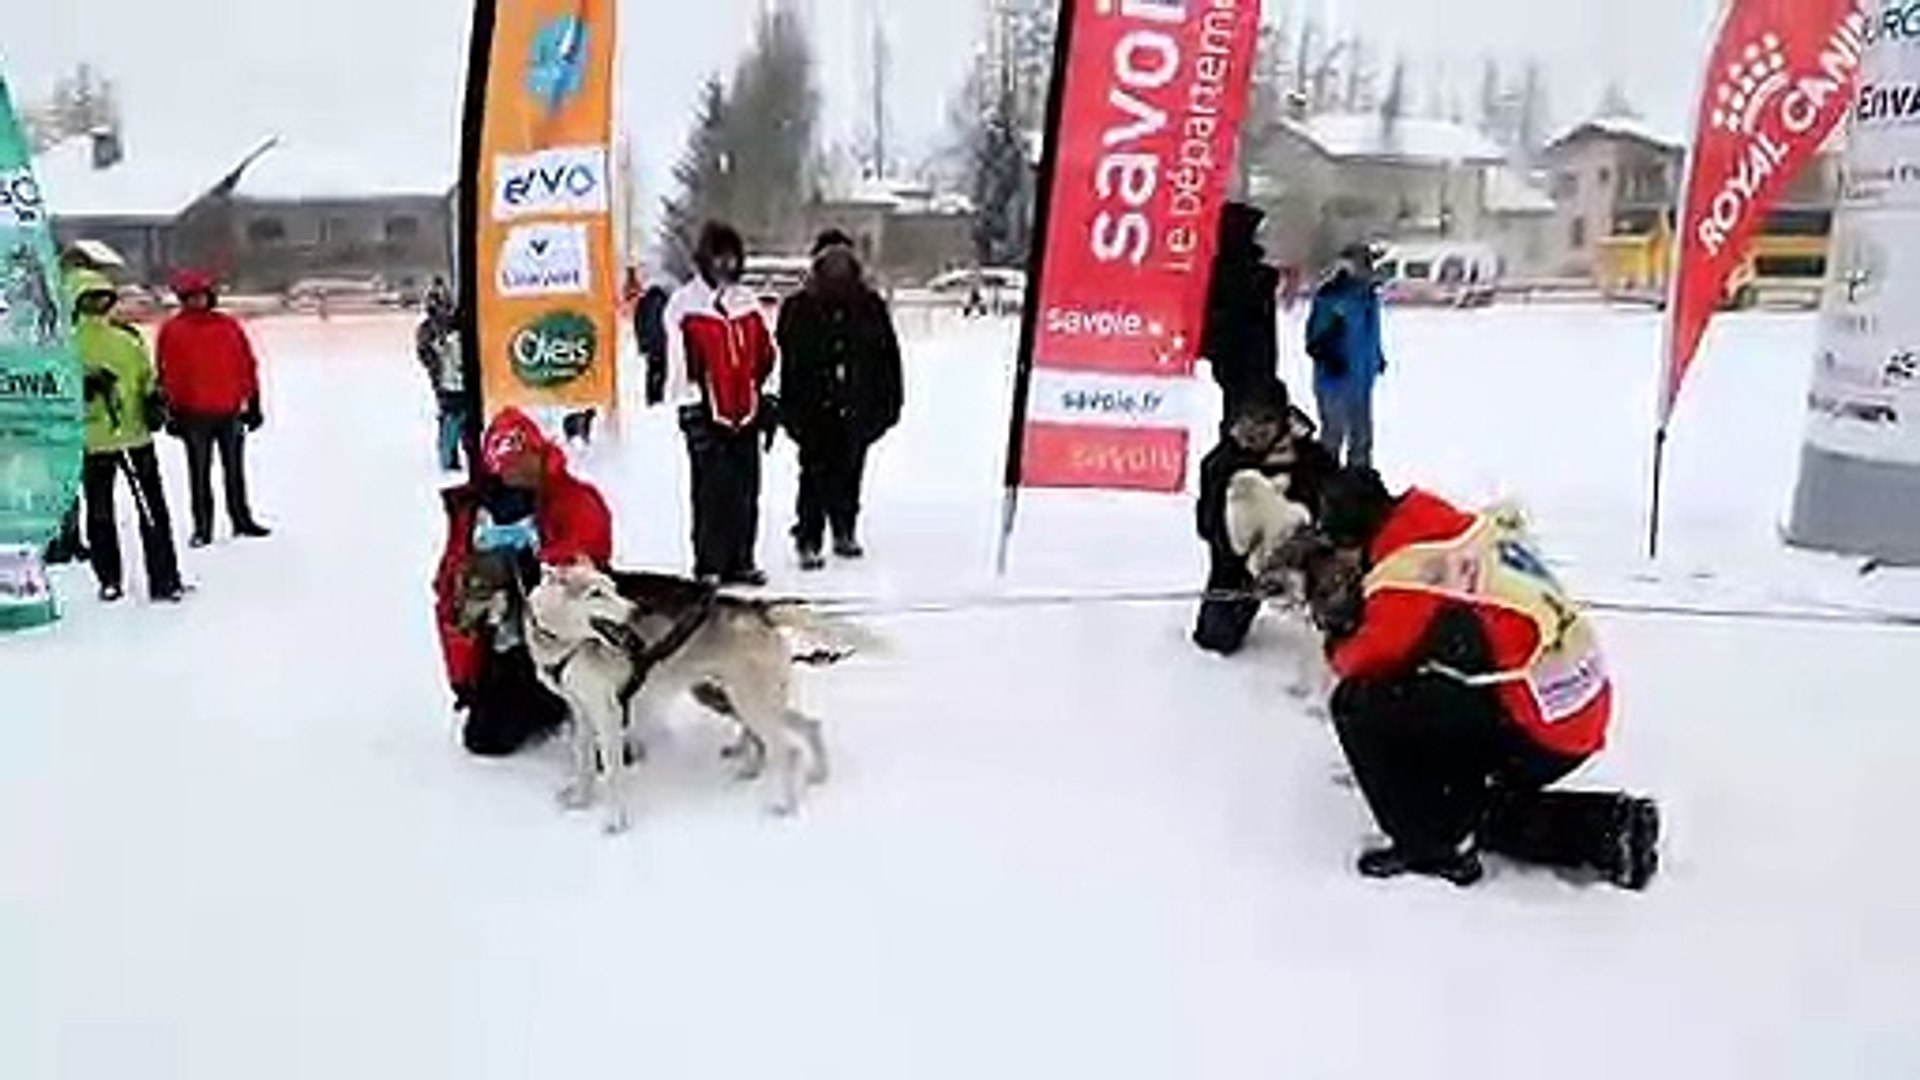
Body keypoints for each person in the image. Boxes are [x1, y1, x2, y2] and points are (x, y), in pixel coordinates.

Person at [1315, 467, 1660, 889]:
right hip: (1577, 697)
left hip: (1545, 724)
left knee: (1360, 705)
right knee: (1436, 720)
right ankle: (1611, 828)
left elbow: (1362, 661)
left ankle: (1431, 846)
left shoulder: (1410, 572)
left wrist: (1335, 636)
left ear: (1353, 540)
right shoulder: (1449, 526)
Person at [434, 408, 614, 757]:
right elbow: (449, 587)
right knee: (486, 740)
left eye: (524, 461)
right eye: (508, 467)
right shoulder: (477, 510)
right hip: (507, 642)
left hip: (567, 633)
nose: (517, 473)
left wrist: (536, 560)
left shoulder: (575, 498)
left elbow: (591, 560)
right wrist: (464, 676)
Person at [776, 229, 904, 570]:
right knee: (814, 474)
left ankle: (844, 529)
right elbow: (787, 365)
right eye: (829, 261)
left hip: (857, 406)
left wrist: (889, 405)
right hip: (813, 409)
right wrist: (789, 413)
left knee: (851, 470)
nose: (837, 267)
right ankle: (808, 537)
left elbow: (888, 357)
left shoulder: (869, 306)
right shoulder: (798, 307)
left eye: (842, 260)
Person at [663, 222, 779, 586]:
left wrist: (769, 398)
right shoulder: (684, 305)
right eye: (718, 257)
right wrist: (691, 410)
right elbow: (678, 362)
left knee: (746, 490)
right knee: (711, 489)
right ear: (705, 259)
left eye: (731, 257)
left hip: (746, 410)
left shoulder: (746, 302)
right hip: (708, 411)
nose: (725, 265)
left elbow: (767, 353)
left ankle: (742, 558)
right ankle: (709, 562)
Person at [1192, 379, 1334, 656]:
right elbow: (1207, 524)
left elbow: (1336, 506)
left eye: (1265, 421)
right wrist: (1248, 563)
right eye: (1247, 421)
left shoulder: (1312, 458)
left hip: (1307, 549)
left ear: (1282, 420)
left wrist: (1304, 543)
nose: (1254, 430)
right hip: (1240, 557)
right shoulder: (1220, 463)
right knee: (1216, 638)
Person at [69, 269, 185, 604]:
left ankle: (165, 578)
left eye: (103, 297)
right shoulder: (65, 344)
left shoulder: (127, 339)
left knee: (152, 510)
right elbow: (57, 390)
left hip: (135, 436)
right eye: (90, 298)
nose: (99, 304)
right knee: (101, 512)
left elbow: (145, 376)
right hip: (93, 439)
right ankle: (109, 578)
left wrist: (154, 398)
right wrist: (82, 387)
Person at [157, 270, 269, 545]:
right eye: (192, 297)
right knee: (199, 474)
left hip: (229, 411)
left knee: (235, 472)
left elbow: (246, 364)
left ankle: (241, 519)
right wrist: (172, 412)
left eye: (202, 296)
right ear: (183, 299)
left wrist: (253, 401)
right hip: (194, 415)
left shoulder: (228, 326)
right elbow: (168, 373)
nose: (198, 301)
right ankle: (202, 527)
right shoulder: (172, 331)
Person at [1305, 242, 1387, 467]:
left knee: (1362, 437)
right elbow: (1315, 339)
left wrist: (1377, 357)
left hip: (1362, 378)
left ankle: (1359, 484)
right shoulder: (1331, 297)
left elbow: (1370, 332)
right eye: (1362, 265)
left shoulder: (1369, 297)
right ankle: (1325, 484)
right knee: (1333, 435)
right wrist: (1329, 357)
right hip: (1335, 381)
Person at [1200, 201, 1281, 422]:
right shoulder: (1246, 275)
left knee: (1242, 416)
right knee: (1244, 417)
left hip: (1242, 362)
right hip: (1244, 361)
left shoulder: (1224, 272)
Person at [415, 291, 469, 472]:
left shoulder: (459, 324)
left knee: (463, 419)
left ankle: (462, 455)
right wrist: (436, 359)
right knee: (451, 418)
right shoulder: (428, 329)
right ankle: (449, 459)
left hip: (459, 380)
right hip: (446, 382)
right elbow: (425, 355)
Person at [634, 280, 672, 407]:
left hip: (652, 344)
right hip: (662, 343)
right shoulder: (665, 301)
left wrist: (642, 343)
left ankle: (652, 397)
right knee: (662, 369)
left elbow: (638, 323)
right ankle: (659, 396)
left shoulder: (643, 302)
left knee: (652, 369)